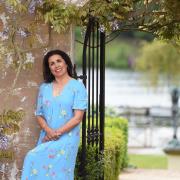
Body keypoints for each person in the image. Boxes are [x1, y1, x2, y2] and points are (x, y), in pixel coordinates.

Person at [21, 49, 87, 180]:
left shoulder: (77, 87)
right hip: (47, 136)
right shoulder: (44, 88)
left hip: (67, 138)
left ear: (66, 63)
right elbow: (39, 114)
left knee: (59, 173)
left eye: (59, 61)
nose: (56, 65)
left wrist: (56, 133)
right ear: (49, 68)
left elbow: (77, 118)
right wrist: (48, 131)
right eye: (52, 63)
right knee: (35, 162)